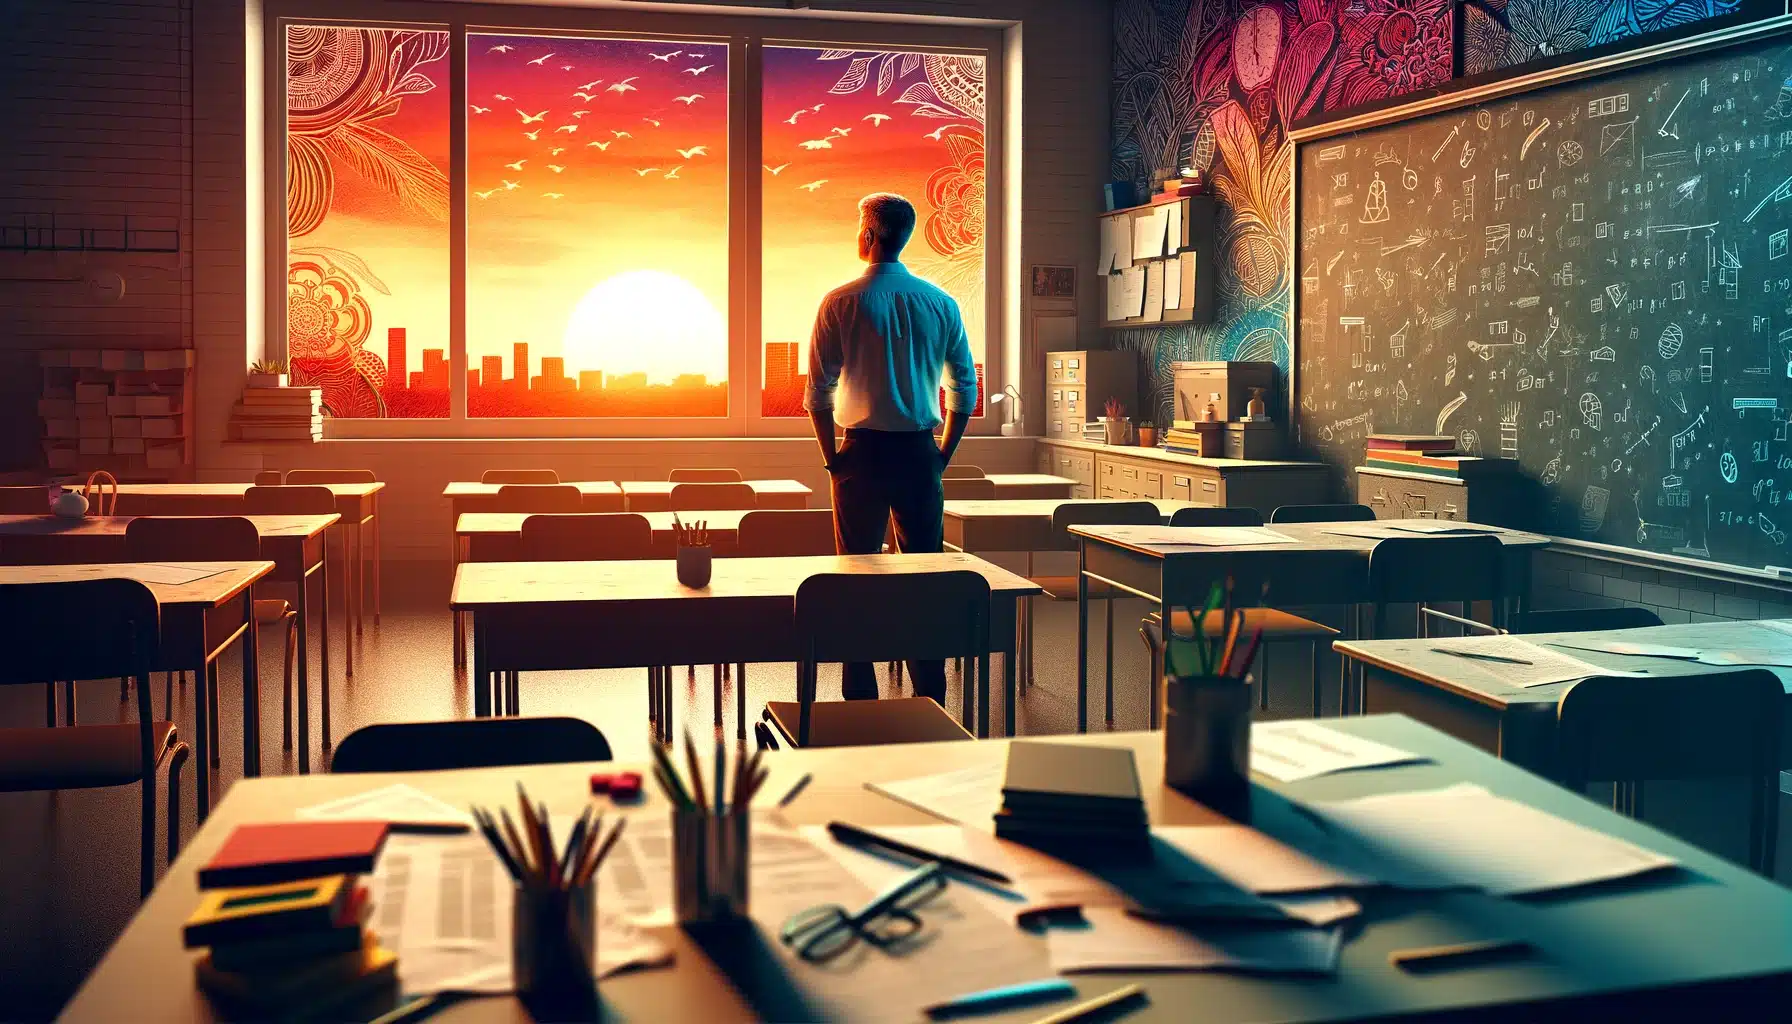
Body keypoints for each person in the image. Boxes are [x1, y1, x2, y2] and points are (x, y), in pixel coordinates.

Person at [804, 192, 979, 704]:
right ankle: (930, 694)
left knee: (855, 579)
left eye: (860, 224)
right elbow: (963, 388)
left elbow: (819, 390)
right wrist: (941, 453)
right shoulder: (940, 303)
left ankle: (861, 695)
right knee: (923, 576)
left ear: (871, 236)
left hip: (858, 454)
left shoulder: (840, 302)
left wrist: (830, 457)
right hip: (920, 453)